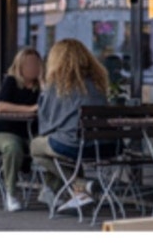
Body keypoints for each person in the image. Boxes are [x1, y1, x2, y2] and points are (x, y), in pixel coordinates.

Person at [28, 38, 110, 214]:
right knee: (58, 150)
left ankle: (79, 185)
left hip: (74, 146)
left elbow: (47, 125)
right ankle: (74, 194)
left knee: (36, 146)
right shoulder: (97, 83)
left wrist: (43, 94)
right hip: (105, 145)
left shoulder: (58, 85)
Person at [0, 46, 43, 212]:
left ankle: (50, 190)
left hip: (31, 134)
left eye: (36, 64)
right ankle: (10, 194)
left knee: (52, 146)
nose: (33, 67)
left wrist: (45, 83)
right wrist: (30, 109)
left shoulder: (40, 86)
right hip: (4, 132)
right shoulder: (11, 81)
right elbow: (1, 106)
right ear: (20, 66)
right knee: (12, 146)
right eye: (28, 64)